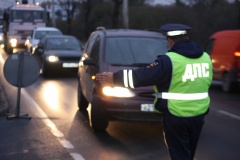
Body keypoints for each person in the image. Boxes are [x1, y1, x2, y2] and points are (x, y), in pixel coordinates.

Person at [95, 23, 213, 160]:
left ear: (170, 41)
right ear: (186, 37)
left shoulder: (169, 60)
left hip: (176, 114)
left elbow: (142, 76)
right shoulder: (206, 58)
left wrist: (115, 78)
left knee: (180, 155)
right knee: (188, 153)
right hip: (198, 115)